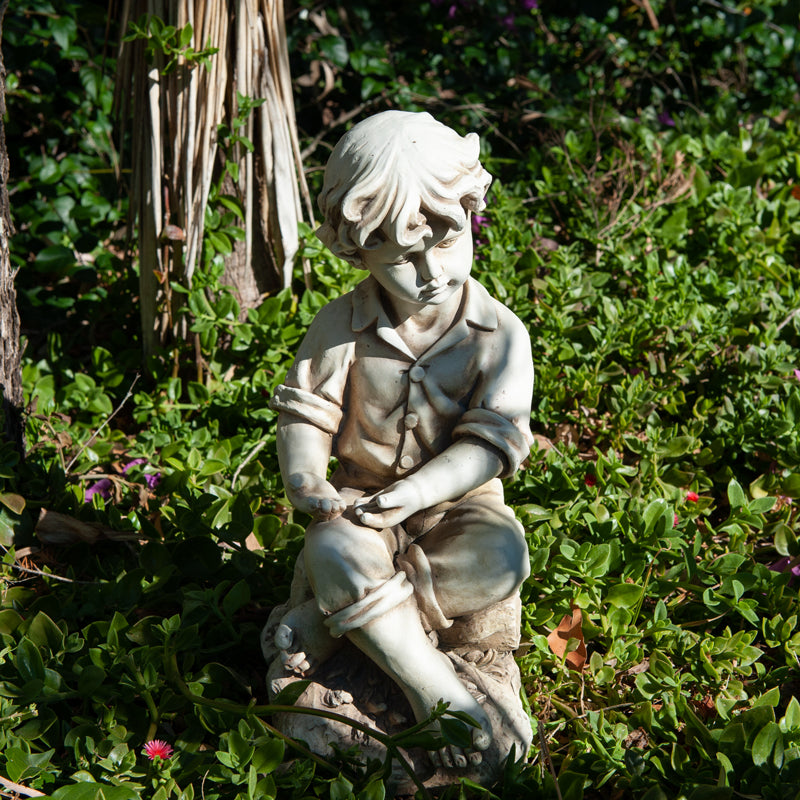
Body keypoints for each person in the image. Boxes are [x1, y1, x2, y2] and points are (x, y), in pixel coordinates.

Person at [269, 110, 534, 768]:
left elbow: (493, 442)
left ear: (471, 214)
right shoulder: (340, 328)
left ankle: (341, 630)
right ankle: (441, 694)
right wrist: (308, 482)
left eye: (444, 242)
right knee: (332, 548)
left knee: (502, 555)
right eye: (401, 254)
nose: (429, 271)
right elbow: (307, 412)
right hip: (360, 509)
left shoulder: (499, 335)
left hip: (457, 510)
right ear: (357, 250)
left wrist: (420, 491)